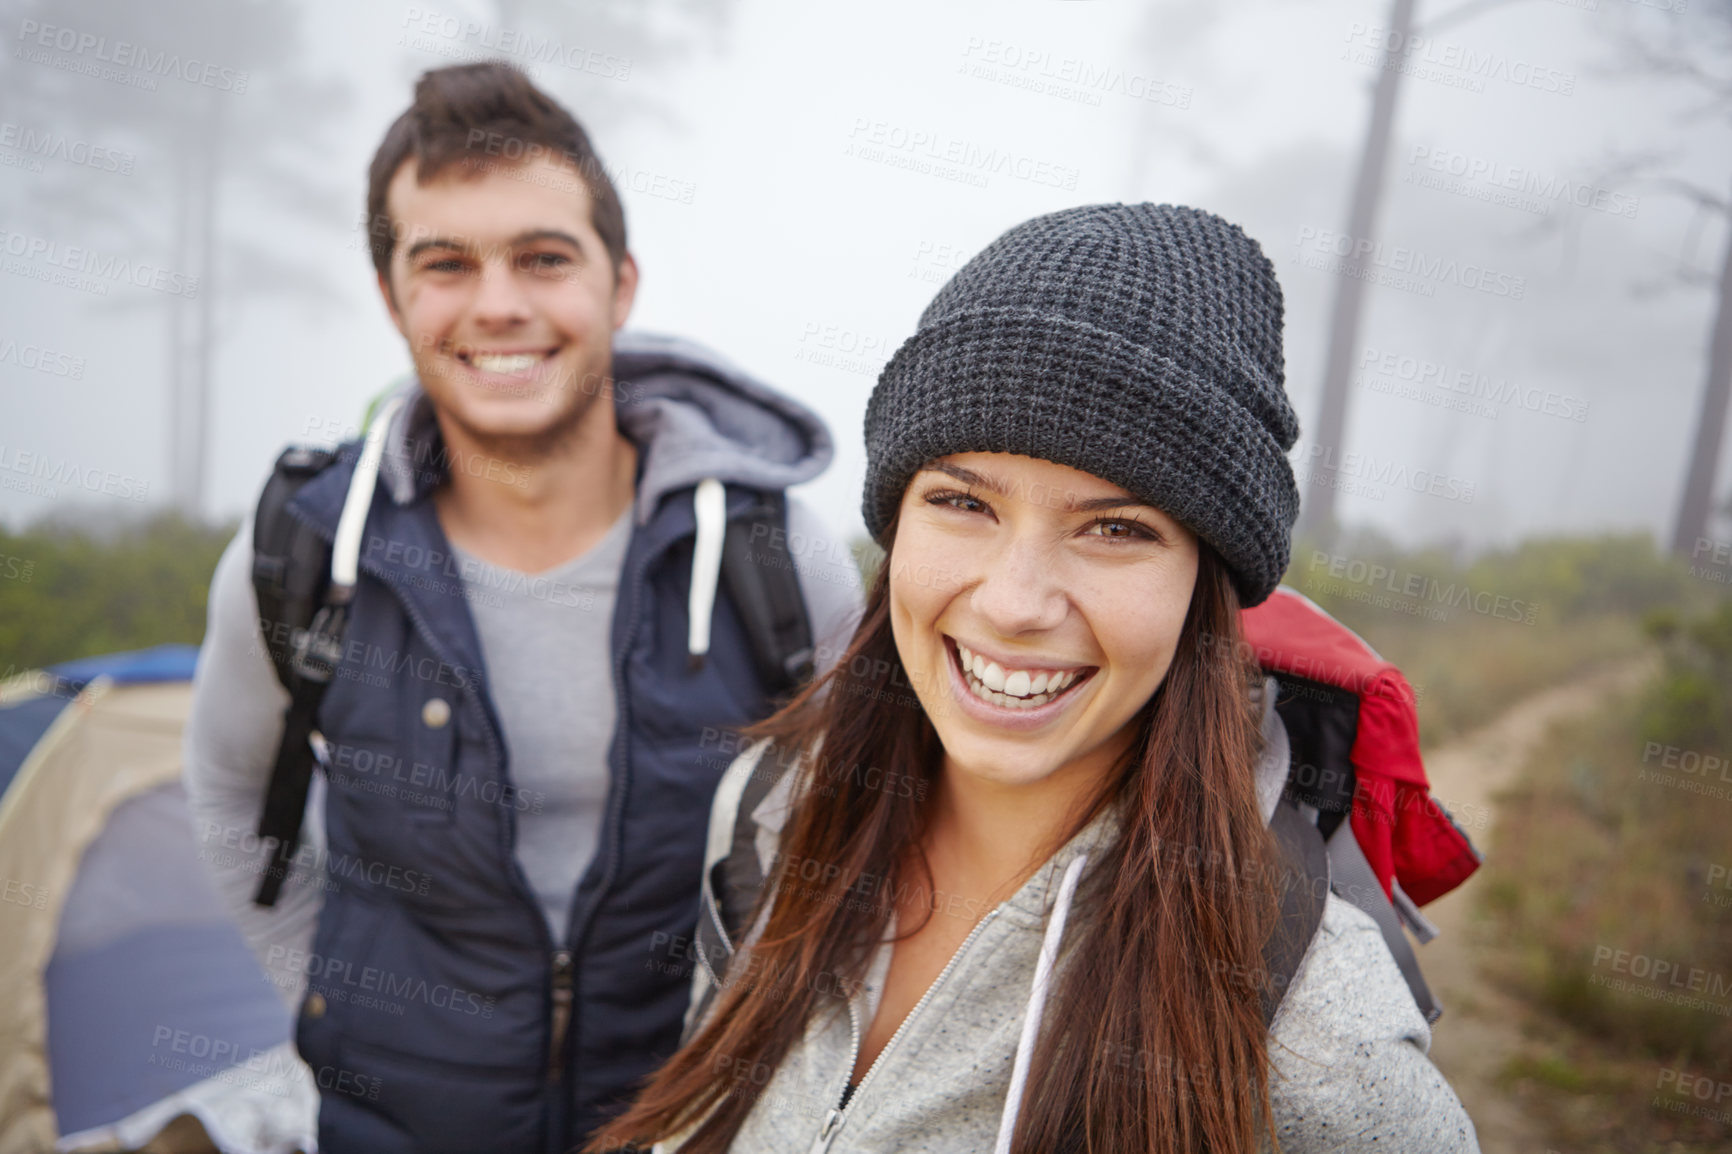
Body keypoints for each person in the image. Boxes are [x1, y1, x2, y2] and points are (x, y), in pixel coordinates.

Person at [589, 204, 1481, 1153]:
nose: (1015, 603)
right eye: (962, 502)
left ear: (1204, 589)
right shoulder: (771, 815)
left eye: (1115, 528)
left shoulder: (1305, 1020)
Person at [182, 62, 859, 1153]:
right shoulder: (303, 552)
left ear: (620, 281)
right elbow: (227, 793)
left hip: (696, 1126)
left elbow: (864, 830)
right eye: (445, 262)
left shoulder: (773, 554)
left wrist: (760, 1043)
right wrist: (338, 1000)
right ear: (392, 293)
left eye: (543, 257)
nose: (498, 303)